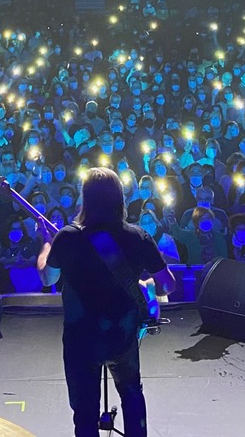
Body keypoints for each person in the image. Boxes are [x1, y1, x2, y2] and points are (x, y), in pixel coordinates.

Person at [37, 167, 176, 437]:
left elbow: (47, 277)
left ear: (85, 199)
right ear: (120, 199)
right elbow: (168, 284)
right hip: (122, 333)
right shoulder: (138, 236)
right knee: (132, 395)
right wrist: (146, 284)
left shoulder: (67, 237)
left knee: (85, 412)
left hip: (81, 335)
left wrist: (46, 245)